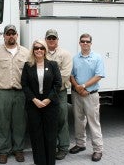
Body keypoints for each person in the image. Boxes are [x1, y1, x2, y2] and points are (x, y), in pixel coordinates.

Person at [0, 24, 30, 164]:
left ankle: (18, 150)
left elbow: (29, 73)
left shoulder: (26, 53)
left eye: (13, 33)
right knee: (3, 123)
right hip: (1, 93)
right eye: (8, 33)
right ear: (4, 36)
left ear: (17, 35)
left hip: (20, 93)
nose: (11, 36)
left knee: (20, 123)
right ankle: (4, 151)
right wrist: (0, 83)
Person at [21, 39, 62, 165]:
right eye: (36, 48)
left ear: (45, 50)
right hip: (34, 105)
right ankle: (39, 162)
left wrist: (48, 99)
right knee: (36, 135)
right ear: (33, 50)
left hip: (50, 105)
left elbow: (57, 84)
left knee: (50, 135)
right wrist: (34, 100)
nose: (39, 50)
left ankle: (50, 162)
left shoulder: (53, 65)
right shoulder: (28, 66)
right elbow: (24, 85)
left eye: (41, 48)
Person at [69, 33, 105, 162]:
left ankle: (98, 149)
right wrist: (78, 87)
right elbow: (71, 75)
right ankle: (80, 144)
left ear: (91, 43)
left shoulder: (97, 58)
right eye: (82, 41)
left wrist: (84, 86)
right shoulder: (75, 58)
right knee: (78, 121)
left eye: (87, 41)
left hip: (91, 94)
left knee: (93, 122)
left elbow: (98, 75)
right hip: (77, 94)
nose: (85, 43)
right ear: (79, 43)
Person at [45, 29, 72, 160]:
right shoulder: (41, 53)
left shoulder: (65, 54)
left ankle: (63, 147)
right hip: (44, 94)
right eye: (49, 38)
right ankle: (51, 146)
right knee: (49, 120)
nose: (51, 41)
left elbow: (65, 75)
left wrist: (51, 86)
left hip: (59, 92)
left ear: (57, 40)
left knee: (61, 119)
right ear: (46, 40)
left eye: (53, 38)